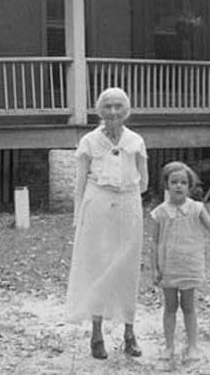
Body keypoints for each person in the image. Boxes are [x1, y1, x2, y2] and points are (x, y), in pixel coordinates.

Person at [64, 86, 149, 359]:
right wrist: (80, 217)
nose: (113, 112)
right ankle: (97, 333)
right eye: (108, 106)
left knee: (127, 267)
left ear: (127, 111)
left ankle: (129, 332)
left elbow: (144, 182)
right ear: (99, 110)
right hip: (97, 205)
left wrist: (124, 193)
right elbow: (79, 185)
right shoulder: (89, 141)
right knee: (99, 265)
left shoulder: (135, 140)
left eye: (118, 107)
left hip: (128, 205)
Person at [149, 160, 210, 363]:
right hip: (169, 267)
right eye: (174, 182)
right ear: (166, 185)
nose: (179, 186)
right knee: (170, 307)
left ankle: (192, 346)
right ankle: (169, 346)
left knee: (189, 307)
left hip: (189, 266)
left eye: (183, 182)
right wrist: (155, 268)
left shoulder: (197, 208)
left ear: (189, 186)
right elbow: (155, 242)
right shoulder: (160, 212)